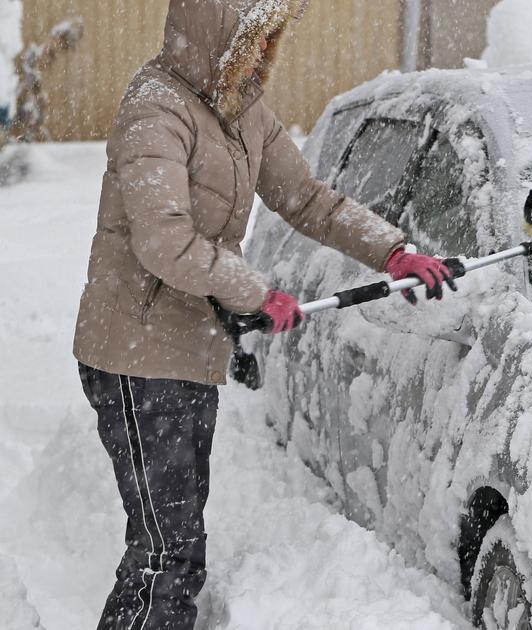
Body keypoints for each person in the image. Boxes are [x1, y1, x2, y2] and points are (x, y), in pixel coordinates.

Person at [73, 1, 453, 628]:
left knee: (178, 547)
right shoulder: (156, 109)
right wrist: (255, 292)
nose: (266, 58)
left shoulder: (244, 114)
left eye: (271, 43)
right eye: (256, 42)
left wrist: (393, 251)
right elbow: (163, 239)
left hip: (191, 348)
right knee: (163, 555)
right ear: (218, 36)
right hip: (133, 356)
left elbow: (308, 200)